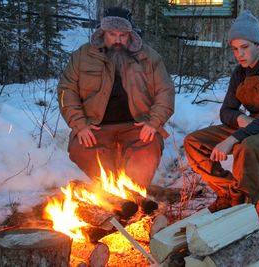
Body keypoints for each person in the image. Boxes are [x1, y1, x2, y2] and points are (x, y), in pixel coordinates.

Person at [183, 10, 259, 212]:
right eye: (234, 49)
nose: (239, 54)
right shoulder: (240, 72)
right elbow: (226, 111)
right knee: (193, 142)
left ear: (258, 45)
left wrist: (232, 139)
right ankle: (229, 193)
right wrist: (240, 118)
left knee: (247, 146)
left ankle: (243, 207)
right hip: (254, 124)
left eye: (245, 47)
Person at [58, 7, 175, 188]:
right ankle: (113, 194)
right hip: (96, 126)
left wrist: (154, 122)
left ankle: (132, 194)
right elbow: (67, 90)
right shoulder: (83, 56)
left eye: (123, 35)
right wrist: (80, 125)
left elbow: (165, 91)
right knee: (82, 149)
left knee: (148, 151)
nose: (118, 40)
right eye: (112, 34)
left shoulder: (149, 57)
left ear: (131, 34)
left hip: (137, 125)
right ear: (103, 32)